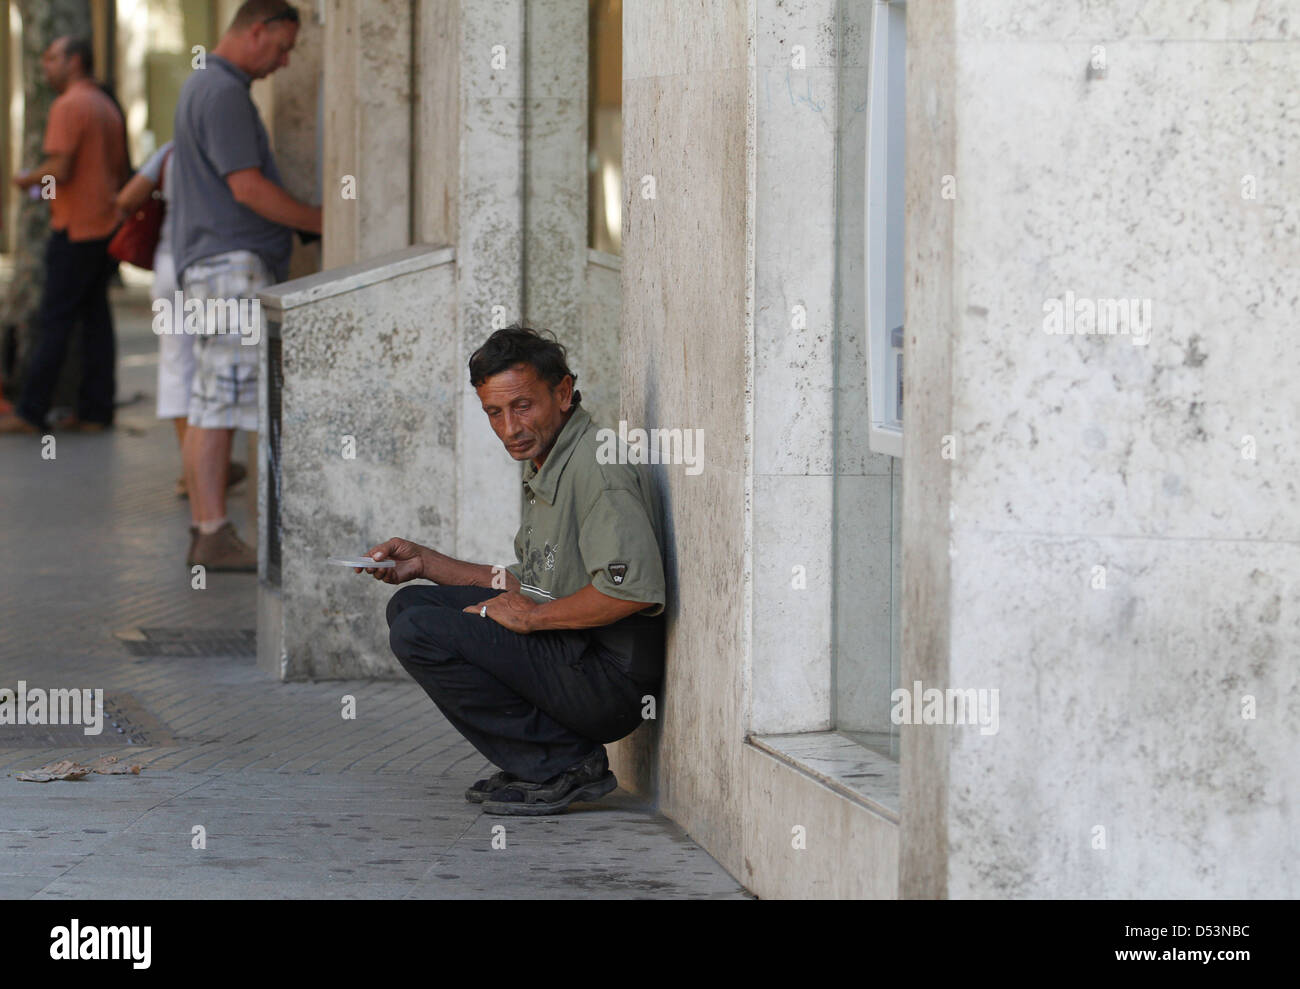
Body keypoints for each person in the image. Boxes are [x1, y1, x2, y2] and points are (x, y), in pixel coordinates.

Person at [359, 326, 667, 816]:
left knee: (419, 631)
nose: (509, 428)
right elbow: (537, 583)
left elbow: (629, 594)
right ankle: (542, 757)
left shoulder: (596, 468)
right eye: (494, 413)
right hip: (573, 653)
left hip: (608, 684)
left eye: (523, 406)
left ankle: (560, 762)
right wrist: (428, 564)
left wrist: (531, 620)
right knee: (411, 604)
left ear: (563, 393)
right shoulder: (549, 460)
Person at [171, 0, 320, 570]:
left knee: (213, 397)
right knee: (218, 403)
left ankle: (208, 529)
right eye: (282, 48)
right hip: (228, 267)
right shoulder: (224, 92)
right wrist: (319, 220)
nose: (283, 63)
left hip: (216, 266)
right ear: (255, 31)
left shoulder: (207, 84)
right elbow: (248, 189)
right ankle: (211, 532)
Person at [0, 37, 127, 435]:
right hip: (104, 226)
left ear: (74, 61)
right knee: (95, 321)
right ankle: (96, 410)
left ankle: (31, 410)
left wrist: (26, 180)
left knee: (55, 320)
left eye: (51, 58)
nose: (45, 66)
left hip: (76, 230)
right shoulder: (107, 105)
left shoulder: (70, 105)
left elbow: (61, 168)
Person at [114, 143, 247, 498]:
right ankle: (212, 467)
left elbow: (127, 200)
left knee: (177, 368)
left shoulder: (171, 149)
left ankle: (192, 471)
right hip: (218, 263)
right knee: (224, 367)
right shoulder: (232, 147)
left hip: (171, 264)